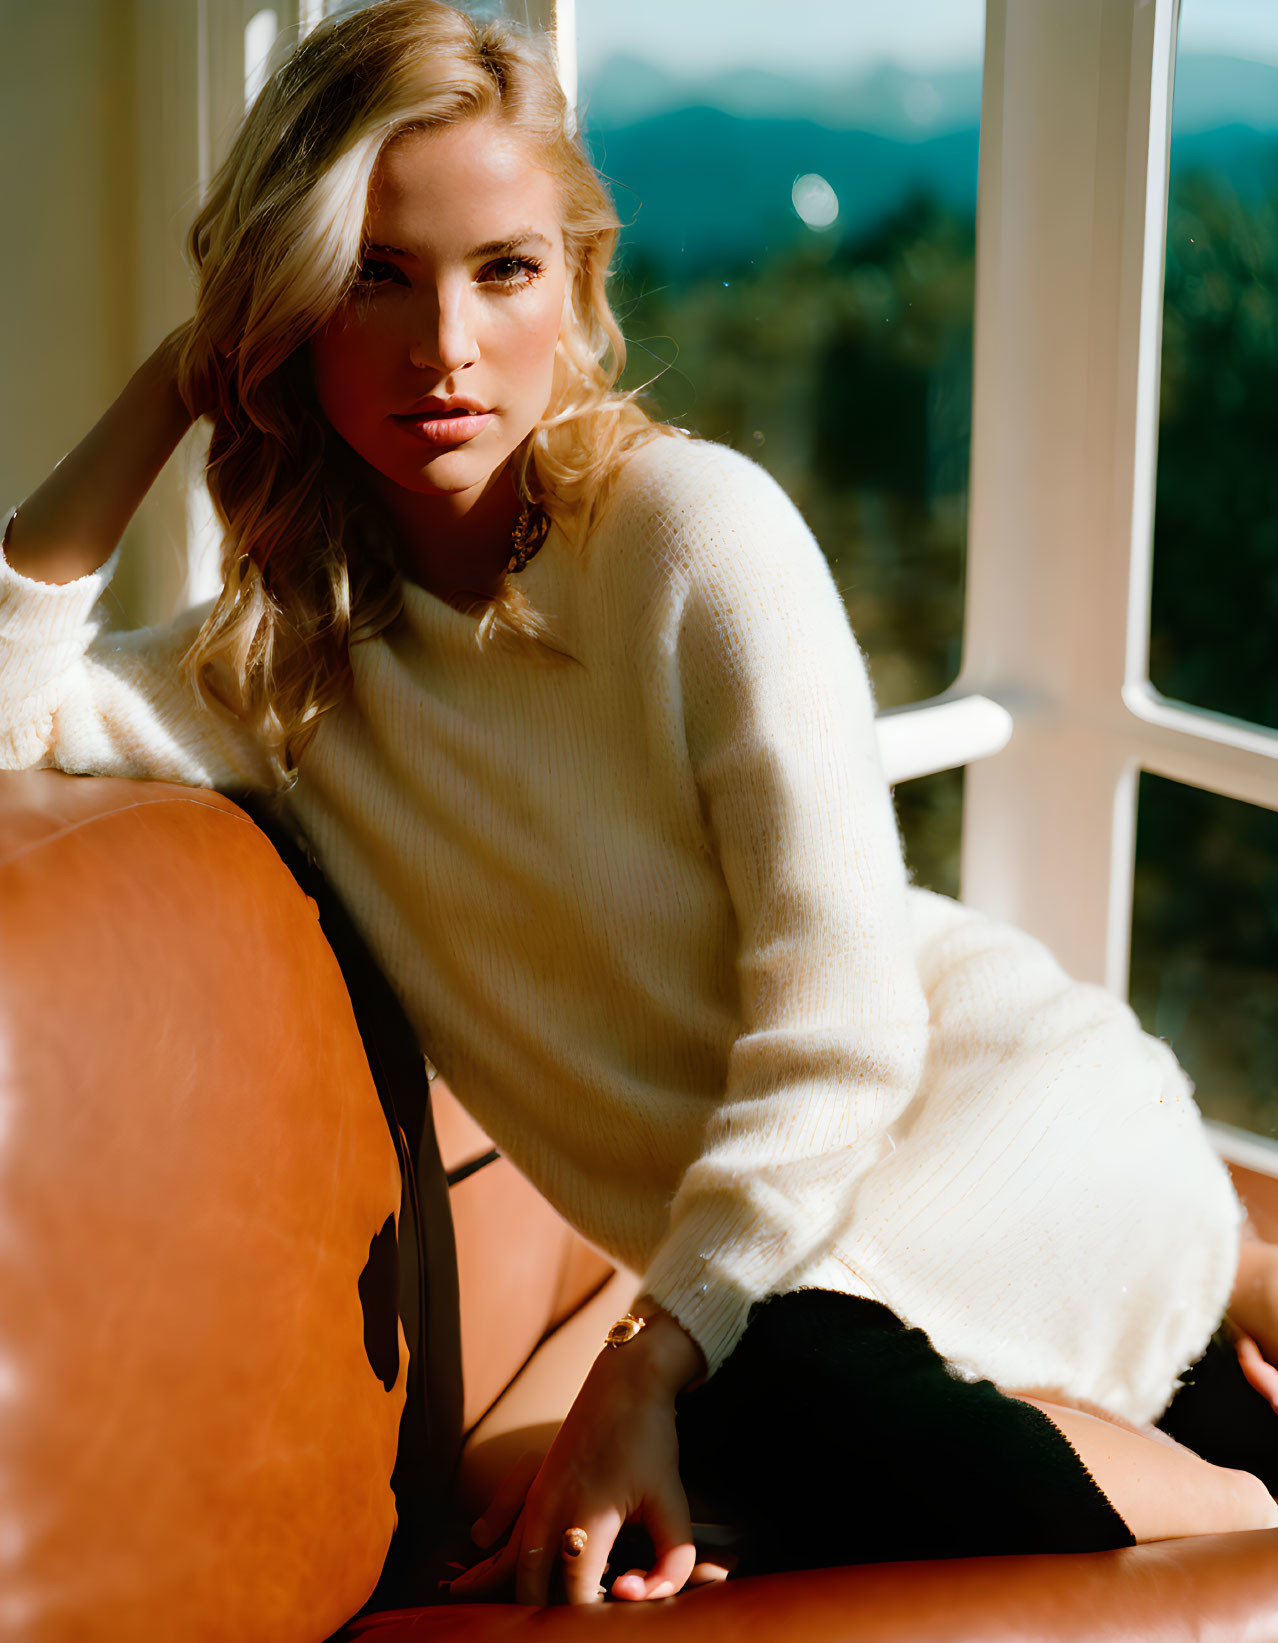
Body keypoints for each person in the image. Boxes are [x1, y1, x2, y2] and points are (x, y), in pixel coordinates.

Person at [4, 0, 1278, 1614]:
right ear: (289, 302)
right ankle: (1200, 1429)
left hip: (979, 1121)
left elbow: (849, 1035)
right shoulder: (285, 678)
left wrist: (644, 1351)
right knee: (739, 1417)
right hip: (793, 1274)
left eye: (503, 271)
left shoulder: (688, 534)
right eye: (374, 276)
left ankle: (1239, 1506)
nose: (445, 348)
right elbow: (7, 705)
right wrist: (172, 382)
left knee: (757, 1384)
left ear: (575, 289)